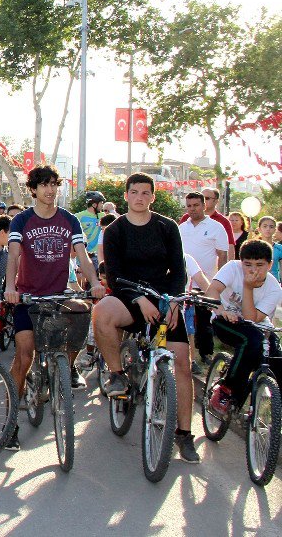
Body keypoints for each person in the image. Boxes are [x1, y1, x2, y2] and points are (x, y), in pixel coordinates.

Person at [92, 173, 199, 463]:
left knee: (182, 365)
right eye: (134, 192)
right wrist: (139, 299)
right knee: (101, 312)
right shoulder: (114, 230)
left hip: (164, 299)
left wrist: (174, 302)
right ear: (126, 195)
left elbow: (179, 270)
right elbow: (113, 274)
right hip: (129, 296)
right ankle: (116, 374)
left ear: (153, 196)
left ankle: (184, 435)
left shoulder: (167, 226)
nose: (140, 197)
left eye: (146, 192)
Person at [3, 165, 105, 452]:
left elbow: (83, 257)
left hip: (59, 295)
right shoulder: (21, 220)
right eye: (44, 185)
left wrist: (95, 282)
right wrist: (11, 287)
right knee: (24, 355)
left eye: (54, 185)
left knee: (82, 313)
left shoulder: (69, 220)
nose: (50, 190)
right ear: (33, 190)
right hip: (27, 297)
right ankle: (10, 423)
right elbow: (13, 256)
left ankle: (67, 367)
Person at [206, 239, 282, 414]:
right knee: (251, 340)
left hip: (257, 325)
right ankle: (227, 389)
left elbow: (252, 318)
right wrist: (222, 310)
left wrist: (248, 287)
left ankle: (268, 415)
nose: (253, 270)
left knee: (276, 360)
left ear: (270, 265)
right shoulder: (232, 268)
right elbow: (212, 290)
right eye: (247, 264)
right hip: (225, 320)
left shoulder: (274, 288)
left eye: (260, 265)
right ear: (241, 262)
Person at [179, 192, 229, 367]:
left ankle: (206, 353)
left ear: (203, 205)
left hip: (207, 282)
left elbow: (223, 256)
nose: (192, 209)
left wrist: (220, 283)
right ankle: (187, 357)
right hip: (184, 283)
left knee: (204, 320)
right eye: (189, 205)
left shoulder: (216, 227)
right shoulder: (181, 227)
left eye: (196, 205)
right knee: (185, 323)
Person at [179, 187, 235, 260]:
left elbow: (225, 252)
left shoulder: (220, 224)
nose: (192, 208)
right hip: (184, 270)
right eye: (189, 206)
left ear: (216, 201)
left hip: (209, 271)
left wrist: (228, 269)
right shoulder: (184, 222)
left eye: (207, 198)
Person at [74, 190, 105, 267]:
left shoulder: (104, 216)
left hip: (99, 256)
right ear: (94, 204)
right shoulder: (78, 216)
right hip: (84, 256)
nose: (102, 205)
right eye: (101, 203)